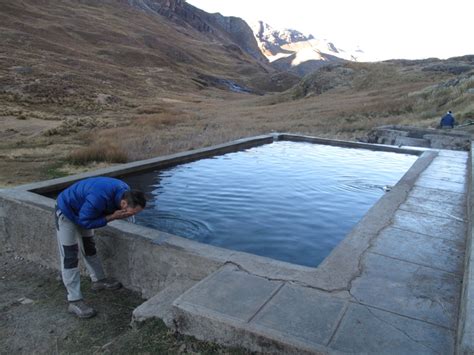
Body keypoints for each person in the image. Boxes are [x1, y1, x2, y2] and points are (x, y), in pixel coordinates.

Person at [55, 176, 146, 318]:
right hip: (67, 212)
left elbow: (88, 216)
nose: (132, 216)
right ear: (123, 203)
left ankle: (98, 280)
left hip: (86, 211)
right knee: (70, 255)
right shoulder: (99, 197)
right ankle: (74, 300)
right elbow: (85, 222)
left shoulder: (125, 191)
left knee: (89, 247)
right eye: (132, 213)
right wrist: (111, 217)